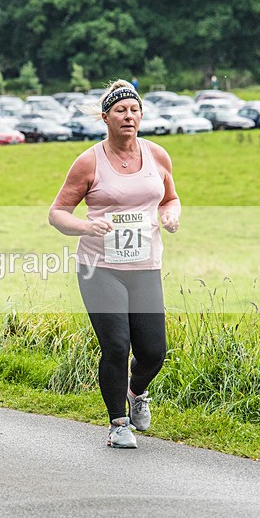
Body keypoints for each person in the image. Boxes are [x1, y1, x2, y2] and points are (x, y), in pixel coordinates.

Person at [48, 80, 180, 449]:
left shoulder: (157, 156)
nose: (129, 116)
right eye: (120, 110)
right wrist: (86, 226)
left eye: (134, 110)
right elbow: (57, 214)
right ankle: (118, 423)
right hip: (100, 266)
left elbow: (170, 198)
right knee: (117, 345)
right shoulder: (89, 161)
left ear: (142, 115)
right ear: (106, 118)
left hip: (145, 265)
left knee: (153, 351)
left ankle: (136, 392)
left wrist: (170, 215)